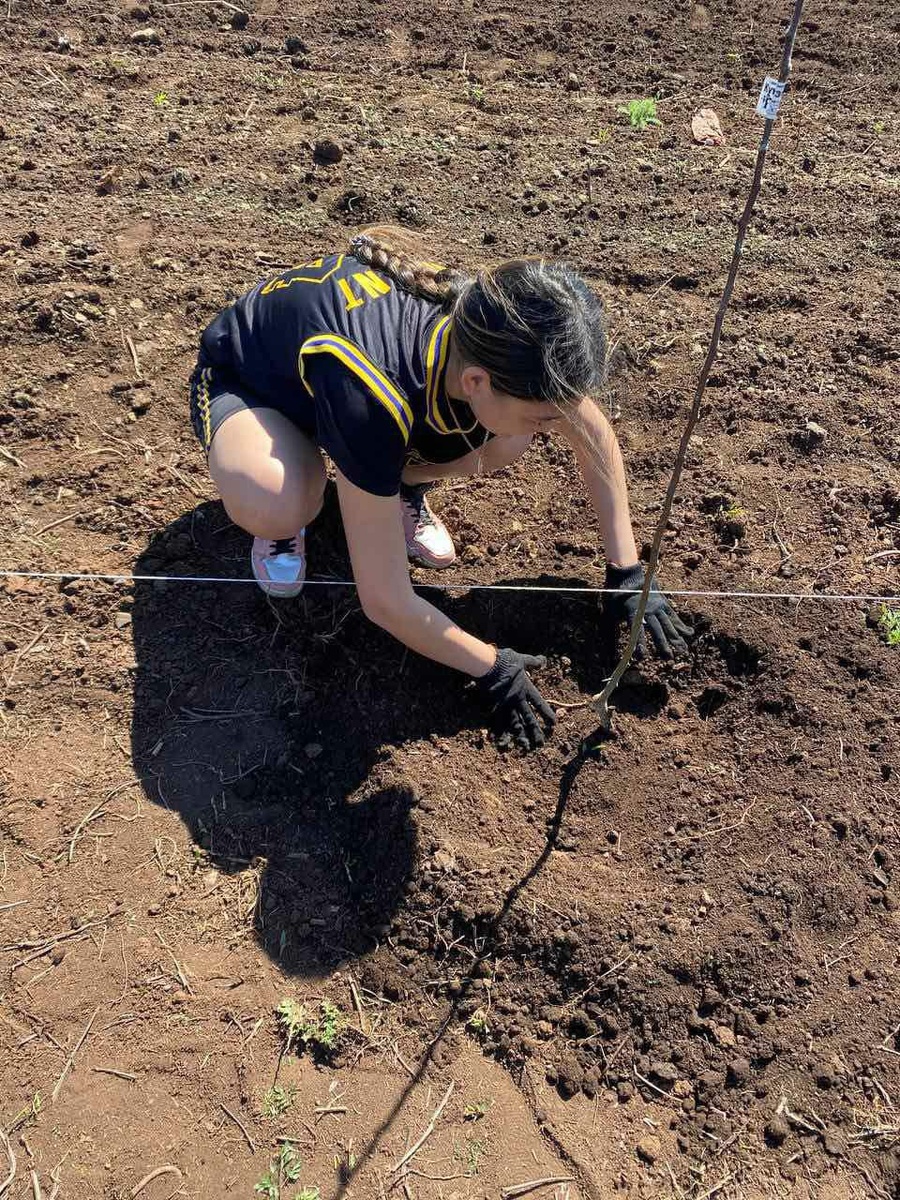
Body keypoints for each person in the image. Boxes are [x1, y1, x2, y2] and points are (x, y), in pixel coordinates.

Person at [188, 228, 692, 749]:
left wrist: (627, 571)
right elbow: (384, 600)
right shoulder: (374, 393)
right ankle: (286, 518)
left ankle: (395, 488)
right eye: (544, 415)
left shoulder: (493, 334)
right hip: (252, 387)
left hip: (346, 399)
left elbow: (590, 430)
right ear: (476, 382)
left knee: (508, 439)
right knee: (282, 498)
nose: (553, 425)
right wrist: (492, 666)